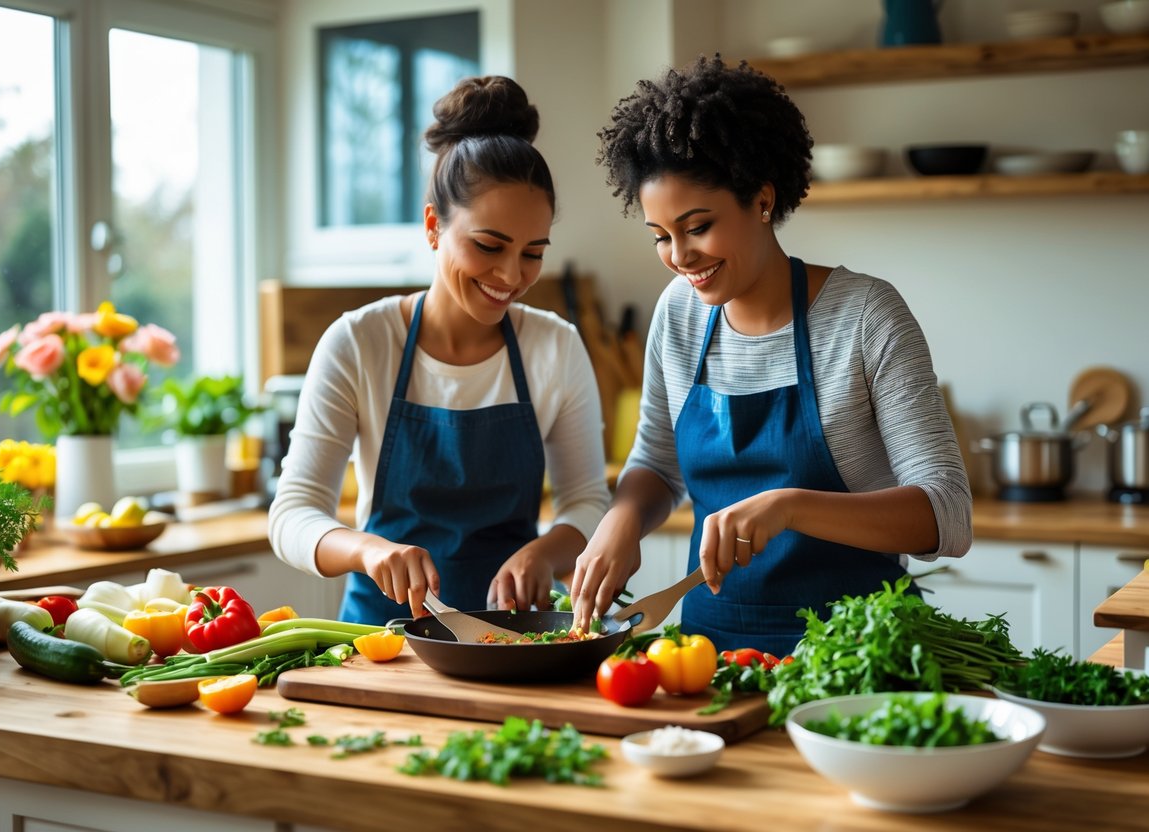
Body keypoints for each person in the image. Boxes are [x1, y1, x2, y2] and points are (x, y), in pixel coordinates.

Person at [570, 55, 972, 655]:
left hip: (853, 658)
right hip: (708, 659)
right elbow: (656, 464)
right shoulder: (678, 315)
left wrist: (790, 507)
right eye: (660, 236)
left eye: (697, 226)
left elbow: (948, 514)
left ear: (762, 200)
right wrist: (622, 521)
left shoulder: (865, 316)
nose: (679, 256)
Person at [269, 76, 610, 625]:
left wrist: (545, 552)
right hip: (381, 643)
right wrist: (369, 551)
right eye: (488, 246)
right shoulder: (359, 342)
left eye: (533, 253)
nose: (510, 275)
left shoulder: (555, 346)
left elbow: (590, 501)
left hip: (511, 636)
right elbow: (291, 515)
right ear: (434, 226)